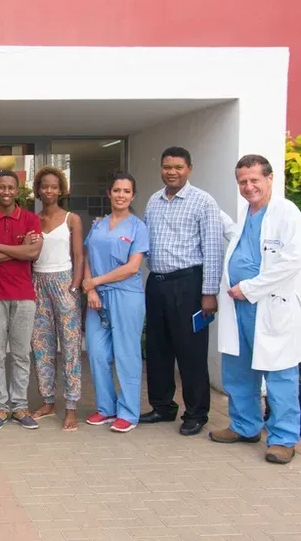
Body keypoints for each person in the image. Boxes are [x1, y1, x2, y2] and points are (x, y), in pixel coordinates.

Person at [210, 155, 301, 464]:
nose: (248, 187)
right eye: (243, 182)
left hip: (270, 307)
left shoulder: (286, 213)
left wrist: (249, 288)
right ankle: (244, 426)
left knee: (280, 375)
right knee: (238, 371)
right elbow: (240, 243)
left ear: (270, 178)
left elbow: (291, 261)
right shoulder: (247, 213)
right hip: (239, 308)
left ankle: (284, 439)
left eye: (254, 180)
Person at [141, 147, 225, 436]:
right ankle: (163, 406)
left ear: (189, 168)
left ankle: (196, 412)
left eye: (178, 167)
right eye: (167, 167)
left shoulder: (203, 202)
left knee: (191, 351)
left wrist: (209, 292)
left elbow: (213, 249)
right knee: (157, 349)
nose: (172, 172)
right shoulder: (153, 200)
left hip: (189, 284)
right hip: (157, 283)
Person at [0, 170, 44, 431]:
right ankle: (0, 407)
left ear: (17, 189)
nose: (6, 192)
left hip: (24, 296)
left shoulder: (31, 219)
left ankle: (20, 407)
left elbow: (34, 253)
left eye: (11, 187)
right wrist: (19, 250)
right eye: (1, 187)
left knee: (22, 354)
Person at [81, 173, 149, 433]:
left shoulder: (138, 228)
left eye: (126, 191)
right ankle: (106, 408)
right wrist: (91, 289)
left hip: (126, 296)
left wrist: (95, 282)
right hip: (97, 297)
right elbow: (87, 257)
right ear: (109, 193)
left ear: (133, 196)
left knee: (126, 354)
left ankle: (129, 413)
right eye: (117, 190)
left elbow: (132, 267)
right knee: (97, 353)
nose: (121, 195)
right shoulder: (98, 225)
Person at [30, 166, 85, 431]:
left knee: (70, 346)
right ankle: (48, 400)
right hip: (38, 282)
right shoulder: (33, 219)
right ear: (38, 190)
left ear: (61, 189)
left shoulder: (71, 219)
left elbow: (79, 256)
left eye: (54, 186)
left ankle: (71, 406)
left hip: (64, 282)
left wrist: (75, 286)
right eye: (44, 186)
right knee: (41, 344)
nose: (49, 191)